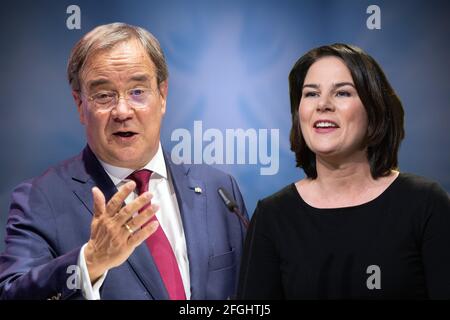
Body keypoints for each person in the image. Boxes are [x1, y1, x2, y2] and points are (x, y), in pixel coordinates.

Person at [0, 23, 247, 300]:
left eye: (137, 91)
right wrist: (89, 262)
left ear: (162, 96)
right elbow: (11, 294)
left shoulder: (219, 190)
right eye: (104, 95)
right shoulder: (39, 200)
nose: (122, 111)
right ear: (80, 105)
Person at [237, 43, 450, 299]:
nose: (323, 104)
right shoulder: (272, 216)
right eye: (311, 94)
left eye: (342, 93)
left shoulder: (425, 203)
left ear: (373, 109)